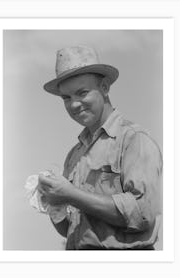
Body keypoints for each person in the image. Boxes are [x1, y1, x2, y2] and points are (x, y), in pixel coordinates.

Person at [39, 45, 163, 250]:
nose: (74, 104)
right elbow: (70, 230)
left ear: (105, 87)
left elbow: (142, 213)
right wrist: (53, 202)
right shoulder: (74, 155)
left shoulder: (134, 140)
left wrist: (70, 194)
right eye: (66, 98)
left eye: (82, 93)